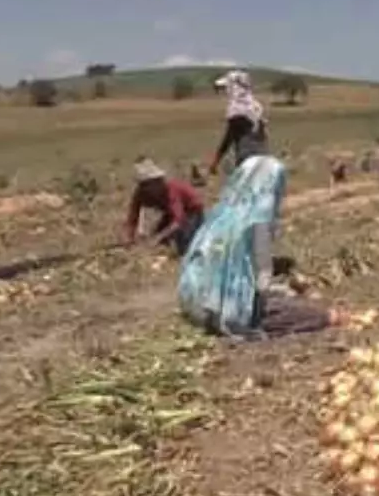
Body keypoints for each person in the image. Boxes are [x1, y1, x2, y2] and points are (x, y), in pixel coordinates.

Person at [177, 155, 341, 338]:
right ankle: (328, 317)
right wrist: (286, 291)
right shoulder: (257, 222)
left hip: (194, 304)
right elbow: (262, 285)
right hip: (224, 313)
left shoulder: (221, 214)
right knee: (315, 314)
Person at [123, 157, 205, 256]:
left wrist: (159, 237)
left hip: (193, 211)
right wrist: (129, 237)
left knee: (184, 243)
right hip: (171, 213)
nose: (146, 189)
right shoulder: (141, 192)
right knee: (159, 237)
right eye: (143, 185)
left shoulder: (171, 190)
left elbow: (178, 220)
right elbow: (133, 215)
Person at [207, 69, 270, 176]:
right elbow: (265, 136)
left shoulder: (236, 108)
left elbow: (228, 138)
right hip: (264, 161)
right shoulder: (257, 107)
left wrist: (215, 162)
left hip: (246, 162)